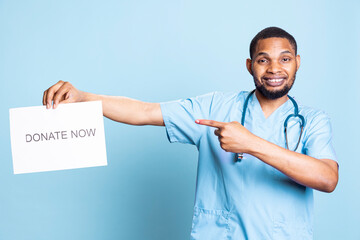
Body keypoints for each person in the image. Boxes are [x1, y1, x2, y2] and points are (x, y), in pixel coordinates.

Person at [43, 27, 338, 239]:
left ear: (297, 62)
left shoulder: (312, 121)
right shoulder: (215, 107)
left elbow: (327, 178)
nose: (275, 68)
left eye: (285, 59)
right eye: (263, 60)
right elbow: (144, 112)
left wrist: (251, 144)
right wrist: (83, 97)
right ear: (250, 66)